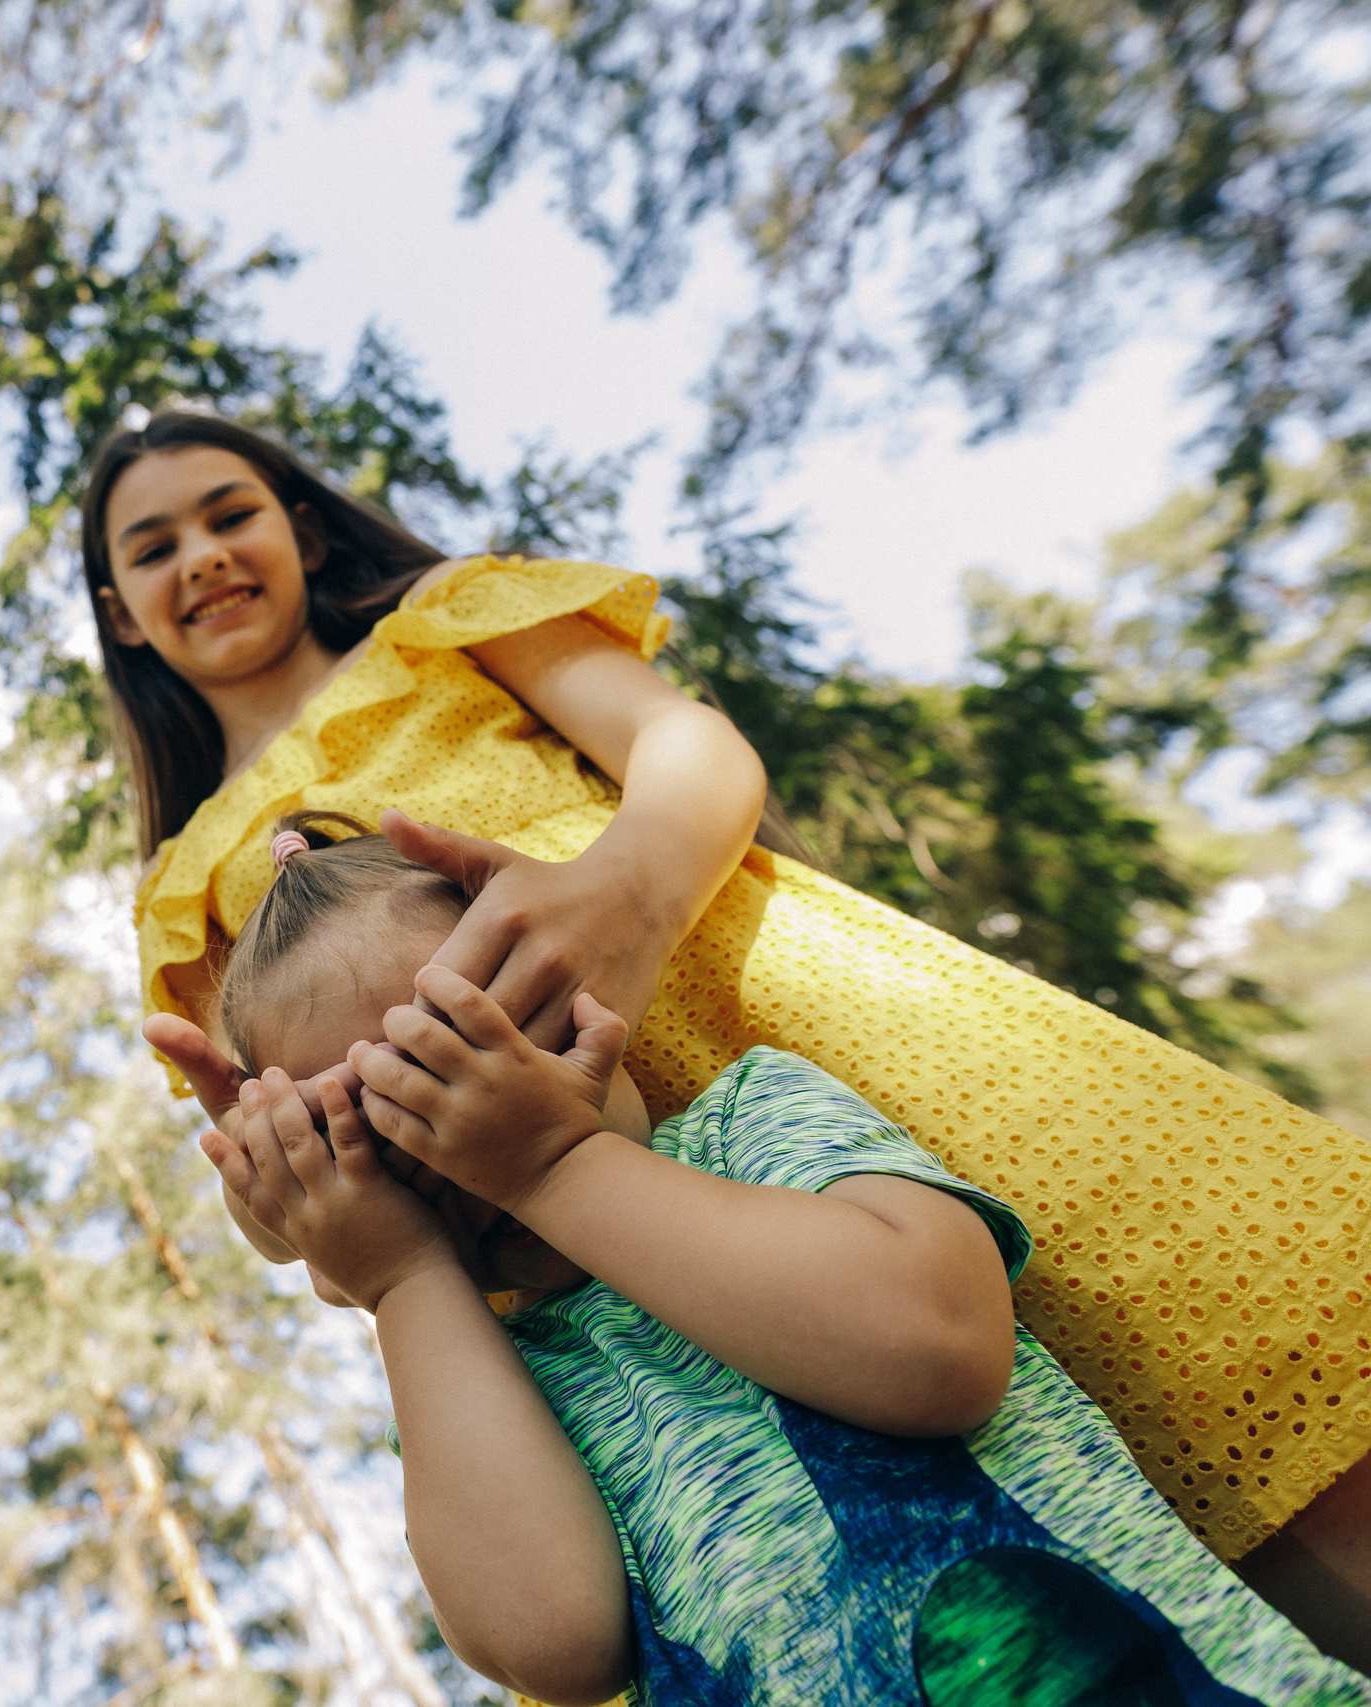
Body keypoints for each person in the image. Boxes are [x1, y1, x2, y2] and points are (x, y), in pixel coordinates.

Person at [80, 409, 1371, 1658]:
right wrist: (302, 1206)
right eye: (152, 548)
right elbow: (275, 1174)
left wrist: (626, 885)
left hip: (814, 1025)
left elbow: (686, 746)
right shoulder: (181, 895)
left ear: (301, 530)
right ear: (120, 611)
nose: (199, 556)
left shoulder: (441, 632)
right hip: (575, 1270)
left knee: (1190, 1346)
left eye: (228, 513)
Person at [200, 815, 1368, 1705]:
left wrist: (549, 1164)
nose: (461, 1142)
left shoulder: (754, 1123)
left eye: (466, 1054)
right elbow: (551, 1643)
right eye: (381, 1133)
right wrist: (403, 1281)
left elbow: (936, 1352)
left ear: (580, 991)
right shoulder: (476, 1361)